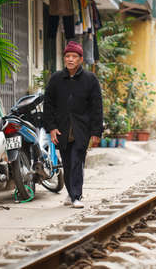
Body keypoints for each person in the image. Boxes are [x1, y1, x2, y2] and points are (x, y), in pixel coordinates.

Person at [43, 41, 103, 208]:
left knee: (77, 160)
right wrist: (52, 128)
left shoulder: (90, 79)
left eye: (74, 57)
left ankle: (76, 196)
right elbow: (48, 104)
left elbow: (97, 106)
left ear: (80, 59)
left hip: (81, 129)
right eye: (67, 56)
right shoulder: (56, 79)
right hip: (62, 128)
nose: (70, 59)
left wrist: (96, 131)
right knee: (68, 163)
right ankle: (70, 193)